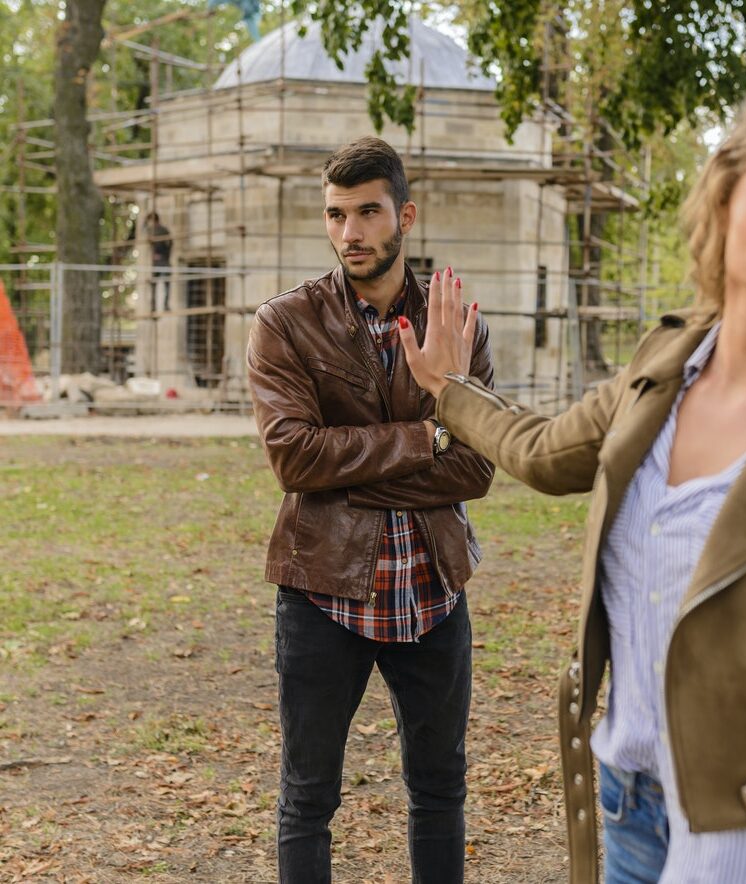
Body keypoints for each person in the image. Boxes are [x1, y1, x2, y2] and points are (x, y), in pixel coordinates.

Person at [396, 72, 746, 884]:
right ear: (727, 198)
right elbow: (543, 450)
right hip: (631, 804)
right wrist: (447, 392)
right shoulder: (666, 363)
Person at [246, 136, 495, 884]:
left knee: (440, 791)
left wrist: (345, 468)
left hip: (433, 592)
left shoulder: (458, 321)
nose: (349, 232)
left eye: (367, 212)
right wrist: (428, 433)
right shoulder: (286, 323)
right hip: (323, 594)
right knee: (308, 797)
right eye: (335, 215)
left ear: (404, 215)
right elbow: (294, 458)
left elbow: (478, 467)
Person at [145, 212, 172, 311]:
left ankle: (163, 305)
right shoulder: (150, 231)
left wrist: (163, 256)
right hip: (158, 261)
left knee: (166, 283)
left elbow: (169, 244)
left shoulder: (161, 230)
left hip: (162, 260)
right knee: (155, 284)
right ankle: (155, 306)